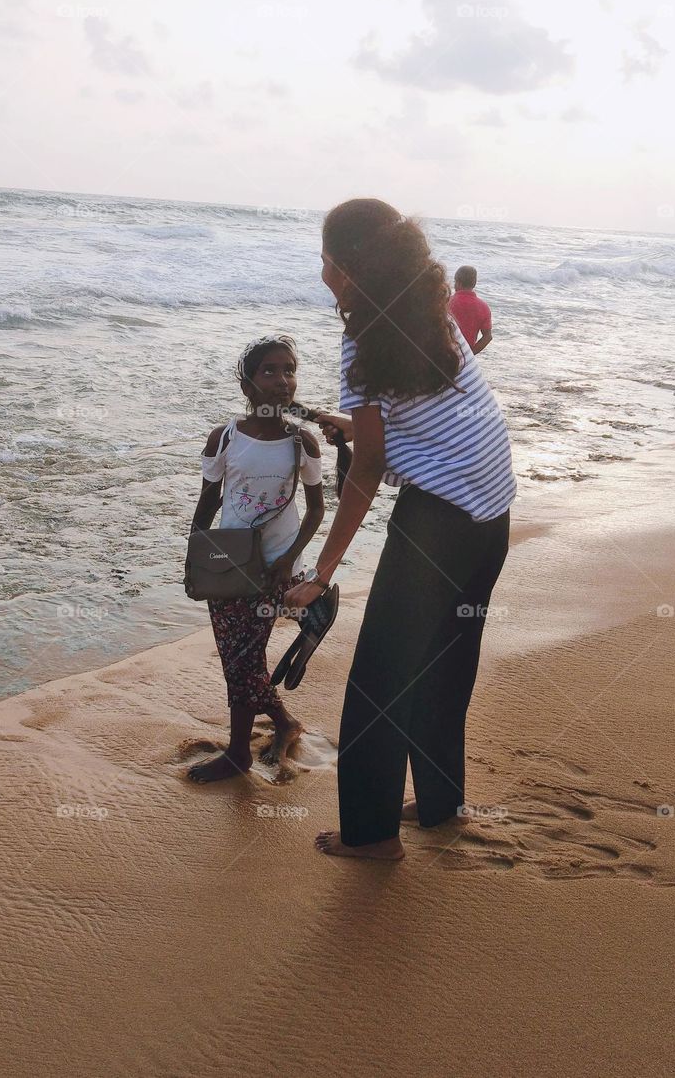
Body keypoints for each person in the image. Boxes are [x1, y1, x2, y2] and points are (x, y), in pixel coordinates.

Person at [284, 199, 516, 860]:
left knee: (379, 683)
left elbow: (371, 468)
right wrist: (353, 422)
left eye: (325, 258)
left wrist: (321, 569)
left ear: (348, 270)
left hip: (440, 519)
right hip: (491, 510)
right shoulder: (427, 311)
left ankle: (371, 836)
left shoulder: (360, 343)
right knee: (445, 667)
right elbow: (416, 415)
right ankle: (440, 806)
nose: (320, 268)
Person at [188, 334, 324, 782]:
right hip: (229, 561)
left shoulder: (301, 442)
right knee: (238, 659)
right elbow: (208, 503)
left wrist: (289, 559)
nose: (283, 379)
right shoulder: (225, 438)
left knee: (244, 657)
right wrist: (195, 558)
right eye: (270, 370)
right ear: (247, 386)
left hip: (274, 568)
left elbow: (318, 509)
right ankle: (283, 722)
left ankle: (239, 754)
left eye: (289, 370)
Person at [448, 265, 493, 354]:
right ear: (474, 283)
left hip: (443, 354)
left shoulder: (446, 302)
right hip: (465, 357)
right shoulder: (483, 307)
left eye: (455, 282)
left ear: (459, 283)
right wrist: (470, 354)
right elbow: (487, 337)